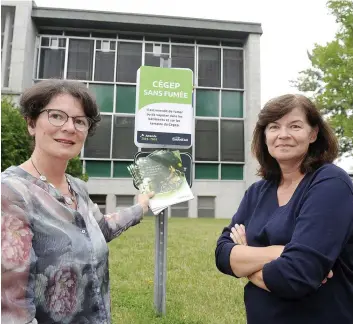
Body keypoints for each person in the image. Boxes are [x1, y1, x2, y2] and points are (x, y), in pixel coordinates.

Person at [1, 79, 153, 324]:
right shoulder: (12, 194)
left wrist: (141, 206)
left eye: (79, 121)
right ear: (31, 123)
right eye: (57, 116)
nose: (70, 127)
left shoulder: (77, 187)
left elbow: (102, 228)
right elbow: (12, 309)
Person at [215, 94, 353, 324]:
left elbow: (296, 276)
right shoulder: (257, 192)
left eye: (295, 126)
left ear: (313, 133)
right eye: (274, 126)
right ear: (265, 135)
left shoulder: (331, 183)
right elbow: (222, 254)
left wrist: (245, 261)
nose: (283, 135)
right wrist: (282, 252)